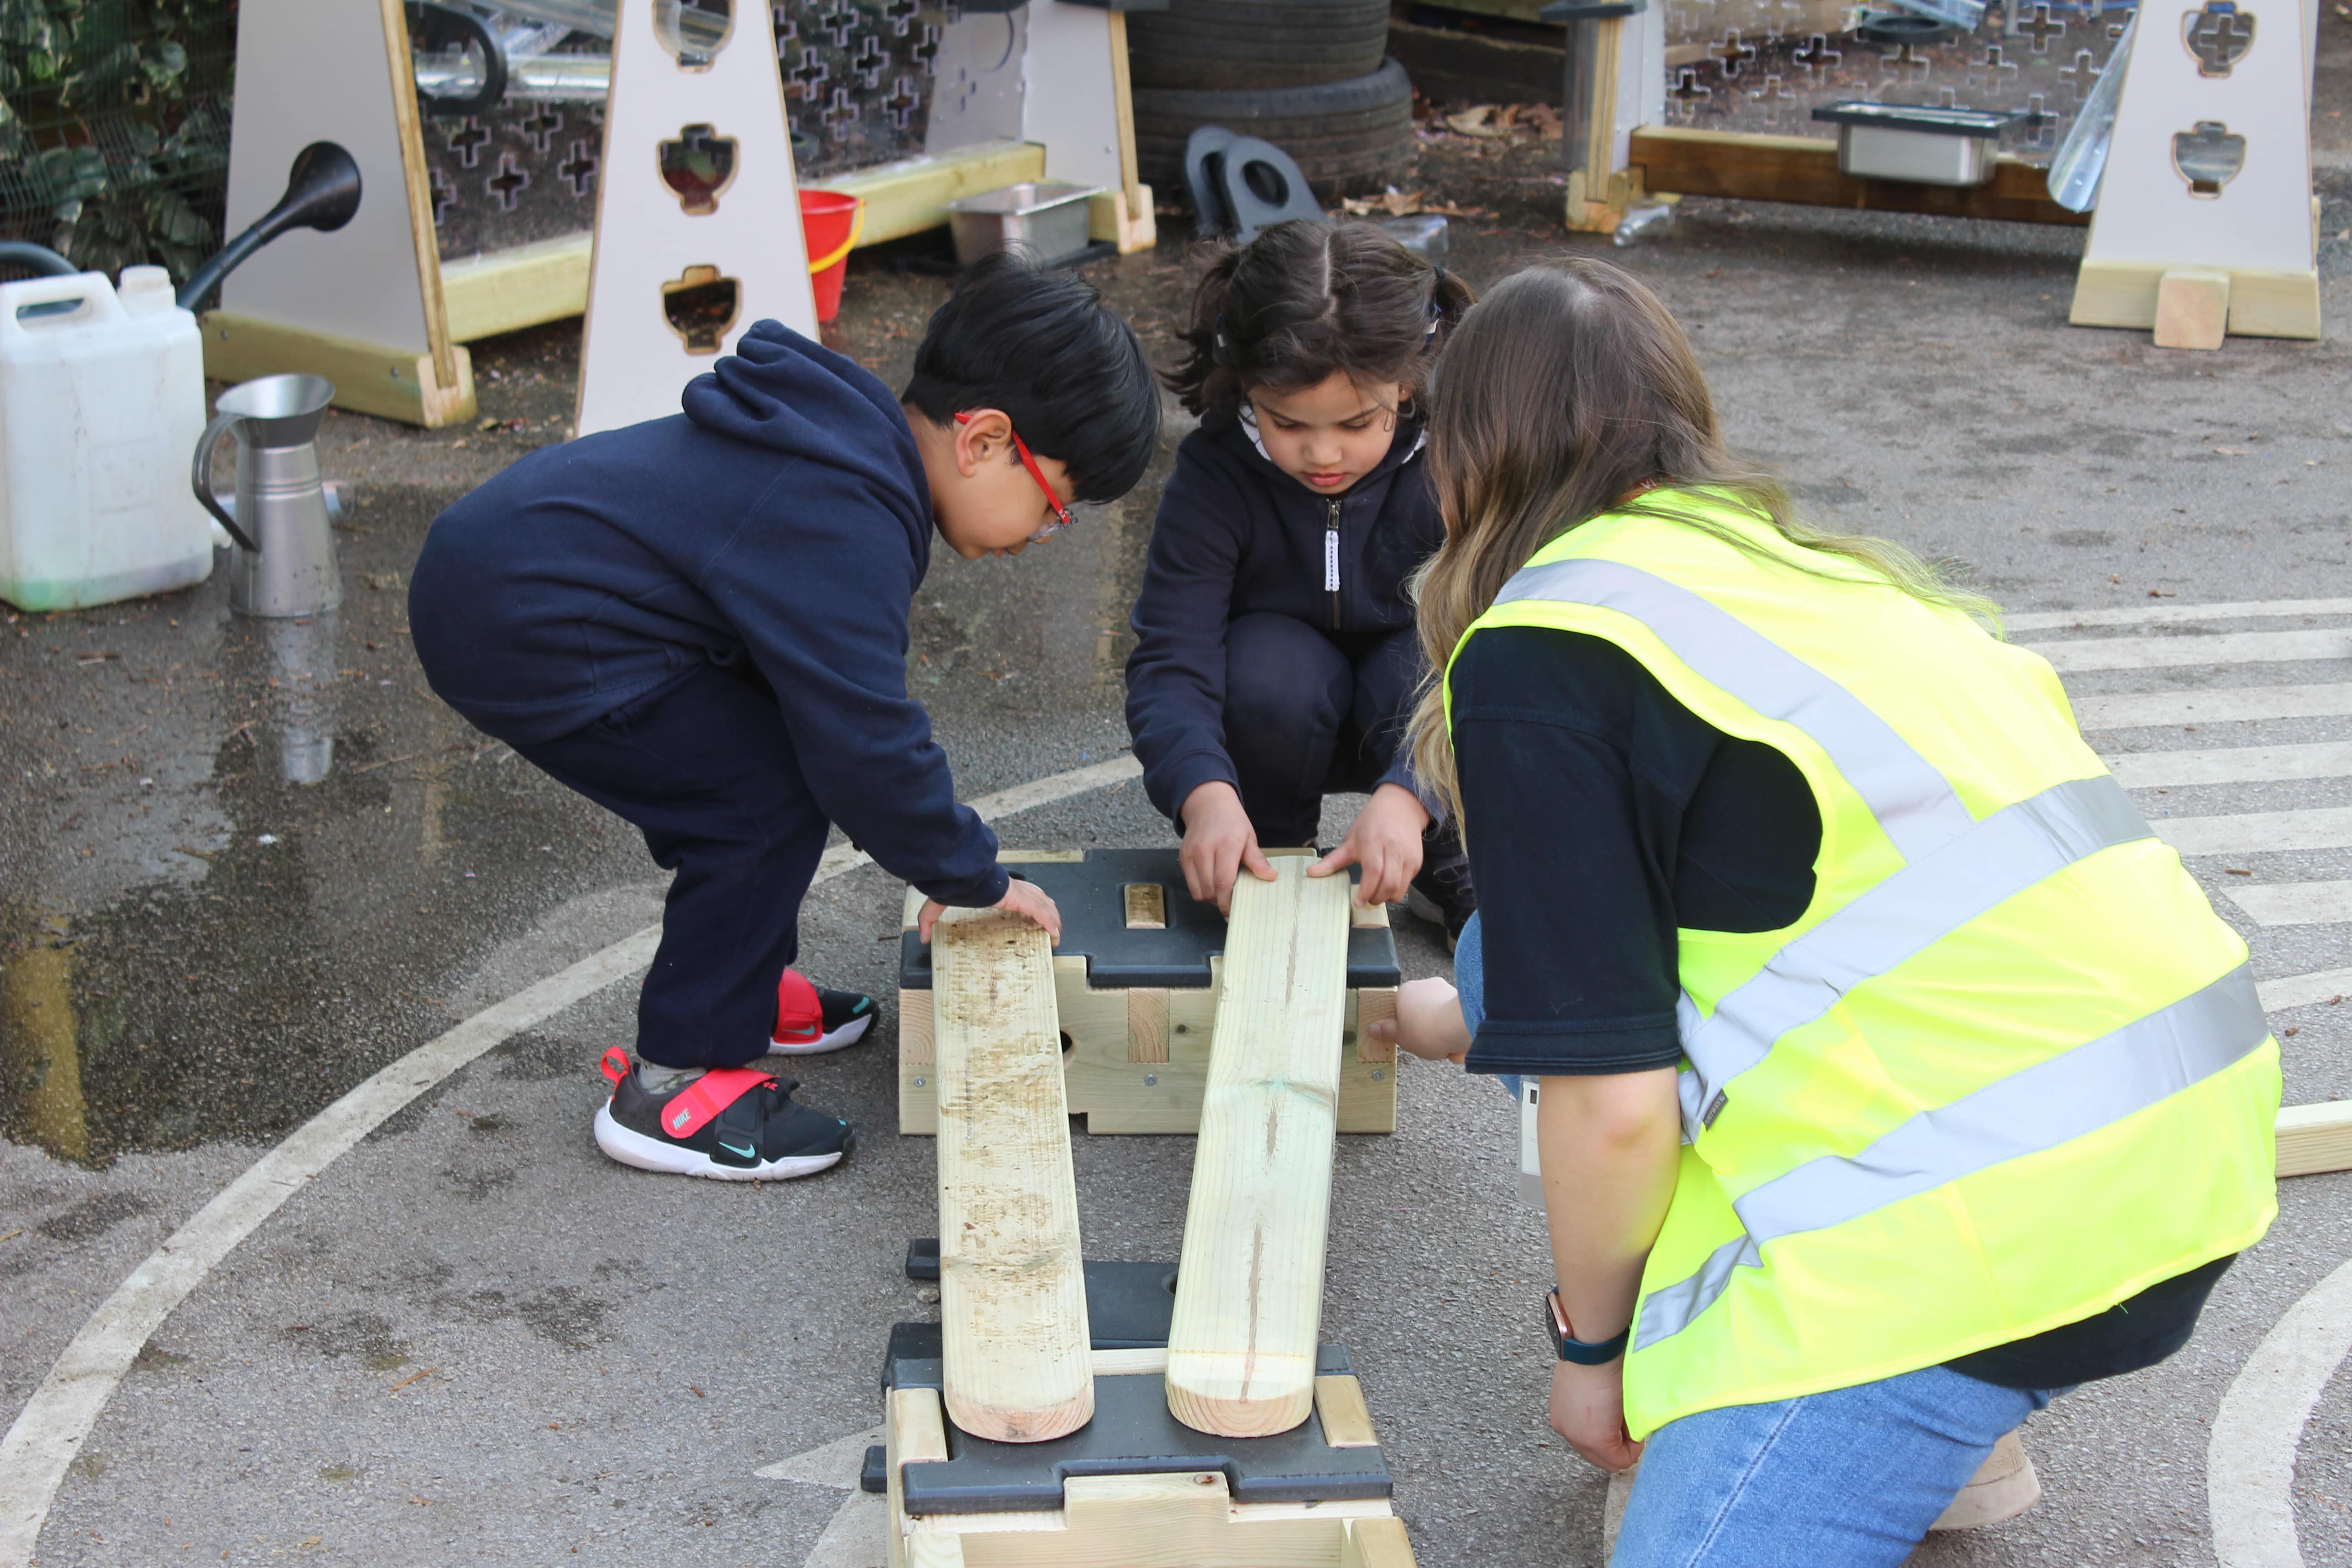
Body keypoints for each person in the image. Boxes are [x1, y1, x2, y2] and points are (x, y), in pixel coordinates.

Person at [1372, 259, 2280, 1565]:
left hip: (1994, 1227)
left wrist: (1599, 1353)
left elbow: (1610, 1100)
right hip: (2188, 1156)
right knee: (1492, 946)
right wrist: (1462, 1016)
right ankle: (1953, 1427)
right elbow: (1820, 929)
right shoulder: (1820, 575)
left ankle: (1916, 1392)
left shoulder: (1541, 645)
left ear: (1463, 464)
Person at [408, 253, 1157, 1182]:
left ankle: (740, 981)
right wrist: (973, 878)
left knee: (774, 764)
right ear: (986, 441)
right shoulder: (844, 510)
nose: (1044, 535)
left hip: (529, 588)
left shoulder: (845, 459)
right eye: (1055, 509)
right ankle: (674, 1083)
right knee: (753, 807)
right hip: (523, 621)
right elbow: (868, 742)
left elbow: (831, 713)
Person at [1124, 219, 1478, 936]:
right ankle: (1272, 856)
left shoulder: (1459, 461)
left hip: (1415, 716)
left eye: (1358, 423)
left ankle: (1447, 859)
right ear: (1245, 384)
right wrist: (1205, 797)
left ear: (1410, 381)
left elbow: (1503, 651)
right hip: (1275, 717)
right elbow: (1172, 660)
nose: (1323, 454)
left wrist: (1413, 795)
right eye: (1286, 423)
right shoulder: (1216, 472)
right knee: (1267, 667)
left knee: (1432, 658)